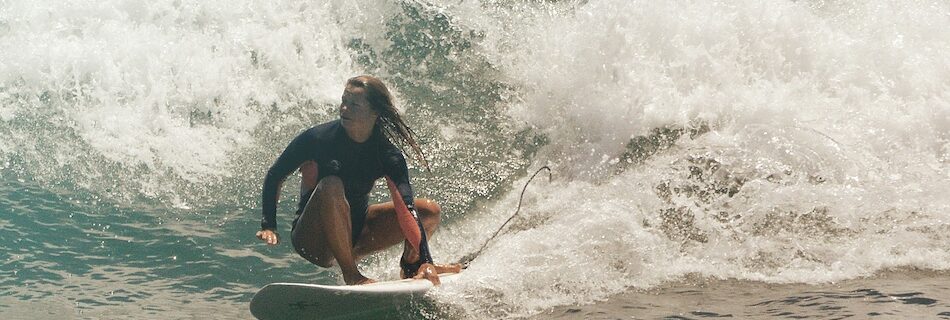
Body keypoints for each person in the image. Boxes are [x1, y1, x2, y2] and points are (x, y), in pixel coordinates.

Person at [255, 75, 460, 285]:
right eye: (344, 101)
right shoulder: (318, 139)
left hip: (356, 234)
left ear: (375, 112)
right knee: (331, 185)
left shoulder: (387, 154)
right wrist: (269, 224)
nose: (344, 109)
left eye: (354, 105)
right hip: (314, 241)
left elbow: (404, 207)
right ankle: (351, 273)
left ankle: (414, 266)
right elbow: (275, 175)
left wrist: (426, 258)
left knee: (427, 210)